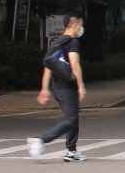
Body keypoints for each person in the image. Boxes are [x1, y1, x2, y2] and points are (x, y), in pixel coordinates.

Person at [28, 12, 88, 161]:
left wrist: (45, 88)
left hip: (58, 87)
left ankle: (72, 151)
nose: (81, 29)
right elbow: (74, 64)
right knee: (71, 119)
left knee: (73, 118)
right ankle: (41, 141)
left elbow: (48, 65)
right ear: (73, 25)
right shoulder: (73, 42)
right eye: (80, 25)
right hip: (67, 87)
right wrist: (81, 86)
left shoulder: (57, 42)